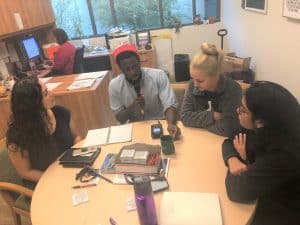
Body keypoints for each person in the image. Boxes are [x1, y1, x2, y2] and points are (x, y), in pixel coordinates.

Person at [222, 81, 300, 225]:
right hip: (265, 191)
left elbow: (237, 191)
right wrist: (233, 159)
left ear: (260, 122)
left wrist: (243, 160)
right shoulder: (266, 124)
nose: (237, 111)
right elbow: (229, 142)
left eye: (243, 110)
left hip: (281, 211)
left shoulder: (284, 154)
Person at [6, 77, 81, 184]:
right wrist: (58, 178)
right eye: (45, 94)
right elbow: (25, 172)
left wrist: (77, 158)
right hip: (44, 181)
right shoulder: (18, 134)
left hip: (70, 172)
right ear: (32, 105)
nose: (52, 94)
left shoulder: (61, 112)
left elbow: (76, 137)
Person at [108, 44, 181, 139]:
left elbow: (169, 104)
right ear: (120, 69)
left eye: (135, 66)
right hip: (134, 128)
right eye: (127, 69)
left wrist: (171, 124)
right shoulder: (114, 85)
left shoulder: (158, 75)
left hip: (161, 122)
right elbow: (119, 117)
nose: (132, 72)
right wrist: (132, 108)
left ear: (139, 62)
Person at [180, 43, 242, 137]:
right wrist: (213, 116)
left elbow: (228, 129)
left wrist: (198, 122)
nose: (195, 85)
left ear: (216, 75)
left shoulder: (233, 89)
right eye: (193, 78)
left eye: (200, 81)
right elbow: (185, 117)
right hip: (198, 137)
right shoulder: (192, 84)